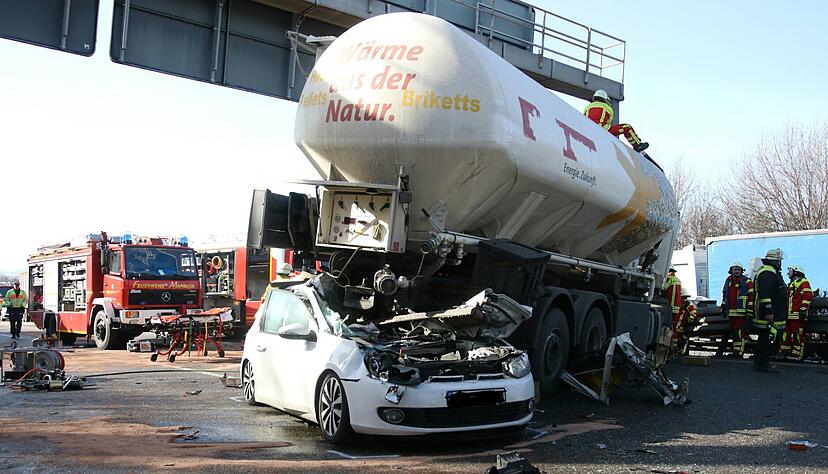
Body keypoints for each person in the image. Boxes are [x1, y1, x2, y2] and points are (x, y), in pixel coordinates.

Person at [750, 249, 788, 373]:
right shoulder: (767, 273)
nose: (780, 264)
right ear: (774, 261)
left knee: (765, 338)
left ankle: (761, 363)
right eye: (779, 261)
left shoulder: (770, 272)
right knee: (765, 339)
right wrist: (769, 311)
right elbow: (765, 294)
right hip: (766, 314)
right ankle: (762, 364)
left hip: (768, 313)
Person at [583, 90, 649, 152]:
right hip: (603, 130)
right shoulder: (606, 107)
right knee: (626, 127)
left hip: (588, 130)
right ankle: (637, 145)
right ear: (605, 99)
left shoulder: (587, 107)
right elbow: (609, 121)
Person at [720, 262, 754, 357]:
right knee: (734, 332)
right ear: (731, 271)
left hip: (742, 312)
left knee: (739, 332)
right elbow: (724, 294)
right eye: (735, 269)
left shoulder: (746, 281)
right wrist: (723, 307)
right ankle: (735, 351)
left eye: (739, 269)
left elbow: (751, 296)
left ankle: (739, 352)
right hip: (731, 312)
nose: (737, 271)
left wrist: (750, 310)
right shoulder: (728, 280)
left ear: (742, 271)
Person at [782, 265, 812, 360]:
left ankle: (797, 354)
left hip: (797, 315)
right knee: (786, 334)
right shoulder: (792, 283)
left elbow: (808, 295)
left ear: (796, 271)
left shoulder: (803, 282)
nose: (788, 272)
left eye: (790, 270)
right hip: (789, 315)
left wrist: (803, 309)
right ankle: (784, 352)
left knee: (797, 335)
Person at [674, 289, 698, 355]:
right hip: (674, 328)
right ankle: (675, 352)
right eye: (682, 298)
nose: (683, 299)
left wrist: (690, 319)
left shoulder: (689, 306)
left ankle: (679, 352)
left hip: (682, 330)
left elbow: (694, 314)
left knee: (681, 341)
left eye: (685, 298)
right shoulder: (676, 305)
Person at [662, 267, 682, 345]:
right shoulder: (678, 280)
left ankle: (669, 343)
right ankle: (674, 344)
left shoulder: (669, 278)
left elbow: (663, 288)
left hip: (669, 305)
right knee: (674, 325)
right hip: (676, 307)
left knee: (668, 326)